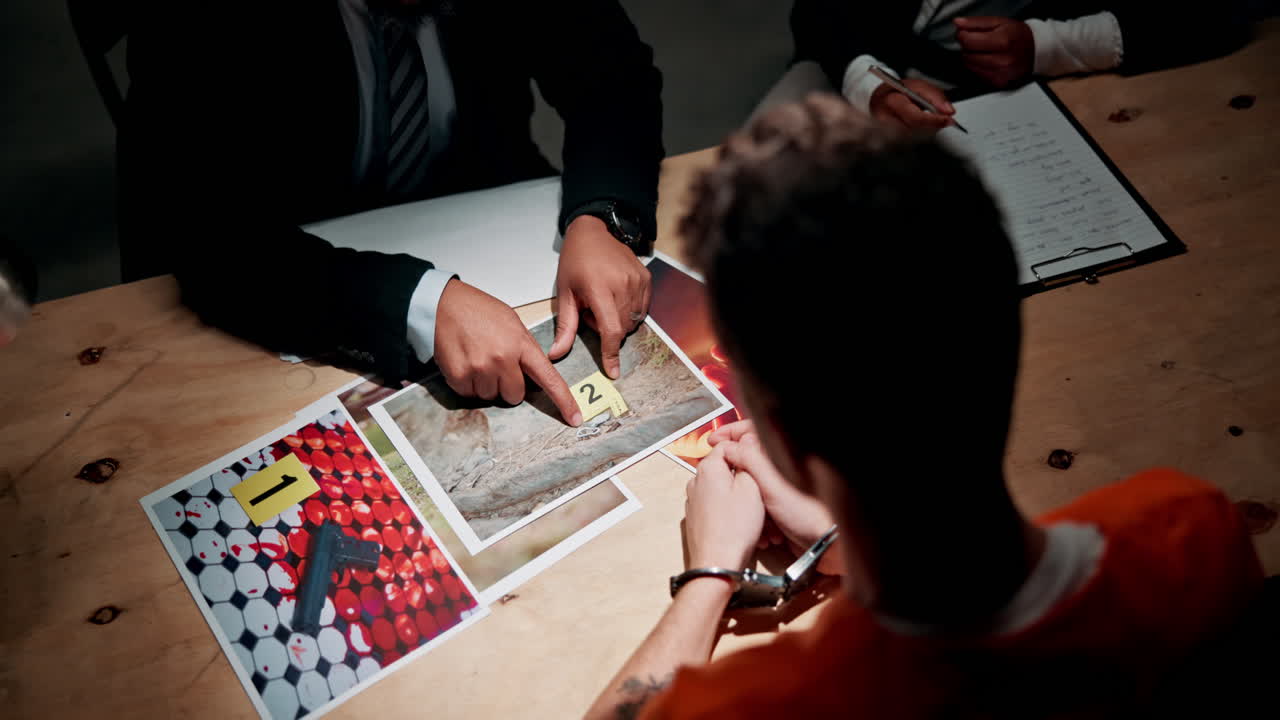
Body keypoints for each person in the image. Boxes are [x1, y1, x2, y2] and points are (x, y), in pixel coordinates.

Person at [584, 95, 1264, 719]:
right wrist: (840, 542)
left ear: (783, 443)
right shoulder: (1192, 530)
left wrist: (711, 575)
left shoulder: (770, 701)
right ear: (1009, 342)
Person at [120, 0, 664, 424]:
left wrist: (602, 216)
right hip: (295, 265)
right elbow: (207, 236)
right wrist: (418, 304)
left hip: (493, 207)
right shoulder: (192, 16)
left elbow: (613, 79)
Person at [790, 0, 1249, 132]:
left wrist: (1049, 45)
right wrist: (874, 85)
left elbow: (1218, 14)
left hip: (1064, 92)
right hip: (865, 64)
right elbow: (816, 12)